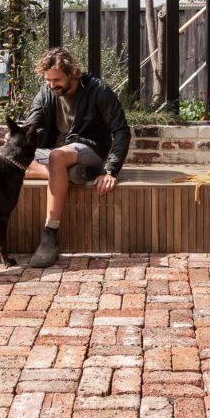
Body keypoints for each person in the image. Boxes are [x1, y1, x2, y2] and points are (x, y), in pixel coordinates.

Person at [23, 47, 130, 268]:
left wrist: (111, 170)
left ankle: (49, 234)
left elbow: (121, 131)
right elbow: (31, 125)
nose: (52, 85)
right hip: (58, 152)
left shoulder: (97, 90)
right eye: (48, 80)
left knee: (56, 158)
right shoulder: (46, 93)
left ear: (71, 73)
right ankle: (68, 176)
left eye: (57, 80)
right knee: (13, 159)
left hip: (90, 149)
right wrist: (17, 139)